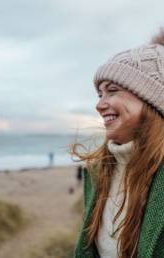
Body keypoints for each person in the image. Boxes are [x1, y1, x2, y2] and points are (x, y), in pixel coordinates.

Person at [73, 28, 164, 258]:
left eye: (112, 91)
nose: (100, 105)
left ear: (153, 99)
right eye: (100, 94)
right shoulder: (97, 172)